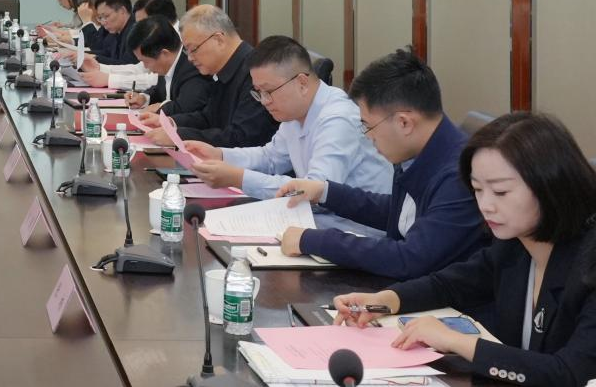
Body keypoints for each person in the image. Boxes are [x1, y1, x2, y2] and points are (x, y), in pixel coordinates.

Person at [333, 113, 596, 386]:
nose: (486, 205)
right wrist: (385, 300)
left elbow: (569, 374)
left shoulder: (589, 260)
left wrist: (455, 341)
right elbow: (450, 285)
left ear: (550, 185)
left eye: (501, 192)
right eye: (478, 189)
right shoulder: (514, 244)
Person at [276, 47, 488, 279]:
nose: (367, 136)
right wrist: (325, 192)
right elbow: (398, 214)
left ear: (404, 123)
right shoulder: (418, 150)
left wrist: (315, 240)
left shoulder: (459, 175)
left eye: (368, 126)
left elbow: (410, 258)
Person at [182, 35, 393, 204]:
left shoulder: (338, 120)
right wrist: (219, 155)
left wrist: (239, 178)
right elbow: (271, 158)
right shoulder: (294, 113)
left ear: (301, 83)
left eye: (269, 91)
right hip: (316, 221)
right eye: (258, 92)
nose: (264, 101)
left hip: (351, 229)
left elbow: (313, 191)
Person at [140, 5, 279, 148]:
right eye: (187, 51)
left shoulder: (255, 72)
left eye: (193, 49)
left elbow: (241, 138)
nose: (190, 58)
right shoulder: (222, 69)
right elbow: (208, 118)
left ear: (218, 40)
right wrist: (170, 122)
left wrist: (178, 135)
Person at [120, 17, 212, 117]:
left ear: (164, 54)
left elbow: (186, 108)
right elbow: (159, 90)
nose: (145, 67)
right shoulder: (167, 65)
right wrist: (143, 98)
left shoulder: (193, 69)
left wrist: (161, 107)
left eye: (146, 61)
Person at [89, 0, 138, 66]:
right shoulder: (115, 31)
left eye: (106, 16)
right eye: (100, 18)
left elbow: (127, 65)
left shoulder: (136, 32)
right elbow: (107, 53)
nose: (103, 22)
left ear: (122, 10)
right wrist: (83, 54)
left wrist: (94, 58)